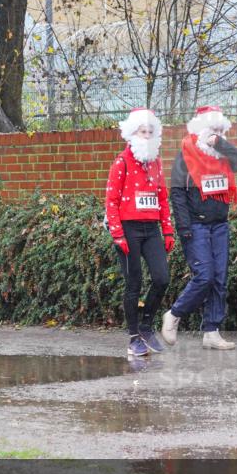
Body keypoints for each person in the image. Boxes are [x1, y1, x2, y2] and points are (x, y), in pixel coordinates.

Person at [161, 105, 237, 350]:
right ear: (201, 129)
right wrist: (184, 228)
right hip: (196, 226)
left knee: (219, 278)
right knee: (205, 276)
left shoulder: (221, 156)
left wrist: (220, 144)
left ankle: (212, 330)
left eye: (221, 131)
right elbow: (177, 194)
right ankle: (174, 314)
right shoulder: (186, 154)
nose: (217, 135)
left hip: (219, 224)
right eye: (214, 130)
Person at [106, 107, 174, 357]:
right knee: (133, 283)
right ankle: (134, 336)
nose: (146, 135)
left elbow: (162, 197)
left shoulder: (155, 163)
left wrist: (168, 231)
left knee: (161, 278)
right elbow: (111, 200)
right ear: (131, 134)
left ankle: (146, 326)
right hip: (128, 230)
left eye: (150, 131)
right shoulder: (121, 162)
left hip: (151, 229)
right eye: (141, 131)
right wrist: (117, 234)